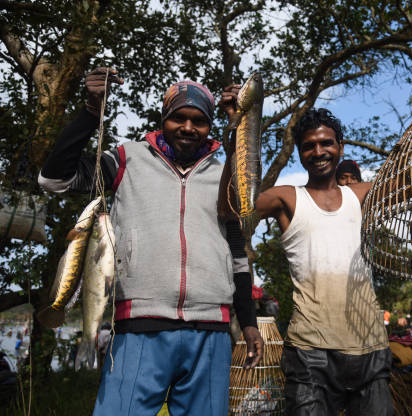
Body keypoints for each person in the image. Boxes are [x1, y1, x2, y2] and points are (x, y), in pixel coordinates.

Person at [38, 67, 263, 415]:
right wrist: (90, 112)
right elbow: (55, 180)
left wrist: (248, 323)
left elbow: (238, 254)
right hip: (139, 328)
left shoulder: (224, 173)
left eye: (199, 121)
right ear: (164, 119)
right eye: (179, 118)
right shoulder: (127, 159)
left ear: (209, 126)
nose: (188, 128)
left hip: (211, 331)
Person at [255, 108, 393, 415]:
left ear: (340, 147)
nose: (319, 152)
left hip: (369, 346)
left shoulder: (363, 194)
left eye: (326, 143)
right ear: (300, 153)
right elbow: (233, 207)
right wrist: (240, 129)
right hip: (310, 354)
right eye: (309, 146)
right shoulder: (287, 198)